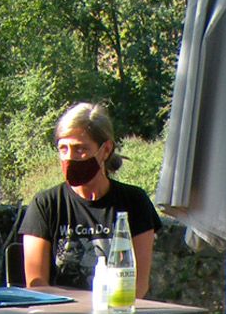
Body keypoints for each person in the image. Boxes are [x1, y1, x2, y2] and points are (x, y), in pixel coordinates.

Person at [20, 102, 162, 296]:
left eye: (80, 149)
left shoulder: (134, 202)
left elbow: (139, 285)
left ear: (105, 150)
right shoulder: (45, 205)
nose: (70, 158)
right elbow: (37, 286)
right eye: (63, 148)